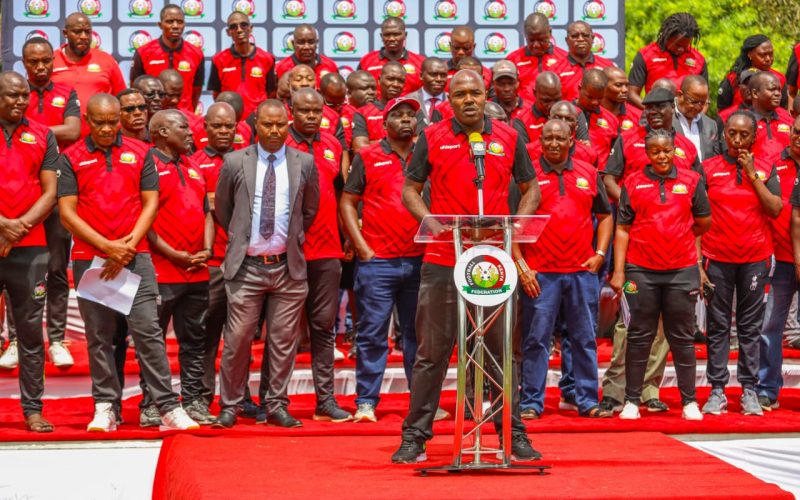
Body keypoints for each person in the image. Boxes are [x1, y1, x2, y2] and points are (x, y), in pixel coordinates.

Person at [392, 69, 541, 464]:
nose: (469, 100)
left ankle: (512, 434)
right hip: (444, 258)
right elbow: (410, 188)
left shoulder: (509, 137)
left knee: (499, 352)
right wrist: (433, 222)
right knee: (432, 352)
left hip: (492, 260)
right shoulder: (432, 137)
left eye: (476, 93)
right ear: (450, 99)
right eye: (461, 95)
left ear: (485, 93)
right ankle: (415, 437)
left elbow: (531, 189)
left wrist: (518, 227)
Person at [58, 93, 198, 432]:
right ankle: (106, 406)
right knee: (100, 336)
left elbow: (151, 203)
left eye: (112, 121)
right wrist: (107, 247)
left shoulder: (140, 153)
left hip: (136, 258)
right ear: (88, 122)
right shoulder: (71, 158)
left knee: (148, 332)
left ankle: (167, 406)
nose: (106, 129)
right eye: (99, 122)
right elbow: (66, 213)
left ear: (120, 118)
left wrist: (128, 246)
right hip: (90, 259)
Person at [212, 100, 319, 429]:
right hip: (247, 267)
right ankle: (230, 405)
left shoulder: (305, 162)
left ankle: (276, 404)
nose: (274, 131)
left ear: (289, 125)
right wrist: (245, 241)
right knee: (237, 340)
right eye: (267, 125)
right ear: (255, 126)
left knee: (283, 341)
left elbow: (309, 211)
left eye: (280, 125)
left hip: (287, 268)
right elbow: (224, 211)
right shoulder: (234, 162)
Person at [610, 129, 711, 420]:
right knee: (639, 335)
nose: (662, 156)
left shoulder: (692, 181)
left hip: (681, 270)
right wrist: (619, 271)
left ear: (675, 150)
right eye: (655, 151)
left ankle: (689, 402)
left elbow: (703, 221)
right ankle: (631, 401)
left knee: (681, 336)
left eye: (667, 150)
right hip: (641, 270)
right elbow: (622, 228)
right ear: (647, 153)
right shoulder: (633, 182)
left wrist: (678, 236)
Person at [516, 119, 613, 419]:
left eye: (560, 138)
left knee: (584, 338)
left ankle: (586, 400)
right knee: (536, 340)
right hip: (540, 273)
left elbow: (605, 216)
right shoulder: (526, 175)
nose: (554, 144)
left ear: (572, 140)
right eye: (548, 139)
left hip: (581, 271)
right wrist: (521, 266)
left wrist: (599, 254)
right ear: (540, 141)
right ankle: (531, 402)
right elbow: (512, 224)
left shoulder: (589, 172)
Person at [340, 96, 423, 423]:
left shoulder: (424, 155)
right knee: (372, 333)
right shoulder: (368, 156)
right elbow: (348, 203)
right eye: (398, 115)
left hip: (419, 261)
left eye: (410, 116)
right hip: (378, 263)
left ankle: (421, 405)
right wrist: (361, 247)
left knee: (419, 338)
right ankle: (366, 402)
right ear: (384, 124)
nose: (406, 120)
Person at [700, 110, 782, 417]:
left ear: (754, 137)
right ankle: (717, 390)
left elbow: (775, 208)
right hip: (716, 258)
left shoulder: (764, 167)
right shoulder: (708, 168)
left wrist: (752, 175)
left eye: (743, 135)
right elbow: (697, 217)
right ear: (723, 135)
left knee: (750, 327)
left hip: (755, 258)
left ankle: (749, 389)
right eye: (730, 134)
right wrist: (697, 262)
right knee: (718, 326)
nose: (736, 140)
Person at [141, 109, 215, 426]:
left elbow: (207, 212)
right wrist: (173, 254)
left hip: (197, 270)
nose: (190, 132)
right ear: (159, 131)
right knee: (152, 342)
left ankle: (195, 401)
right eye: (182, 127)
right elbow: (143, 217)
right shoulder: (148, 165)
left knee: (195, 341)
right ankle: (151, 405)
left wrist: (208, 249)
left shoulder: (194, 165)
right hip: (161, 270)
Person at [281, 88, 351, 423]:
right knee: (282, 331)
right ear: (291, 110)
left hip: (327, 250)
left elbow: (341, 193)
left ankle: (325, 401)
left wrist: (346, 235)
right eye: (304, 111)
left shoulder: (334, 145)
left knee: (324, 328)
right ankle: (275, 402)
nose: (311, 117)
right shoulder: (278, 144)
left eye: (316, 112)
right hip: (286, 251)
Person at [0, 71, 59, 432]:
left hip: (31, 248)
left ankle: (33, 409)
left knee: (30, 334)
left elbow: (50, 192)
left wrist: (16, 226)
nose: (20, 101)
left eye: (24, 96)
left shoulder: (42, 135)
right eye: (12, 96)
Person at [22, 36, 80, 368]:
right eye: (34, 62)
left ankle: (57, 340)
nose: (41, 67)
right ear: (25, 64)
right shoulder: (15, 93)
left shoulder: (66, 94)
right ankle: (17, 338)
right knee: (22, 270)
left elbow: (73, 131)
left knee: (57, 268)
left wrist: (26, 130)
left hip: (57, 193)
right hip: (22, 195)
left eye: (46, 61)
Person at [191, 102, 237, 404]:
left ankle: (239, 397)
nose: (223, 131)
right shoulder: (195, 163)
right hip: (212, 263)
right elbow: (201, 208)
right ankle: (203, 397)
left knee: (239, 338)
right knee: (205, 336)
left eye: (228, 127)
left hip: (247, 264)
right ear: (205, 128)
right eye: (217, 126)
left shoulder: (249, 159)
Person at [759, 116, 800, 411]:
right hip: (781, 259)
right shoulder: (775, 163)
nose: (799, 137)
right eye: (796, 131)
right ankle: (767, 389)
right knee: (770, 326)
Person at [604, 88, 701, 202]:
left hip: (677, 216)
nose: (653, 111)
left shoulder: (687, 146)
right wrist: (629, 205)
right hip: (637, 216)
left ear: (673, 107)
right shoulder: (627, 139)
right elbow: (608, 180)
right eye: (649, 108)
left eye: (660, 106)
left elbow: (698, 184)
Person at [52, 12, 126, 137]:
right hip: (60, 140)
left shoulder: (106, 60)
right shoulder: (50, 60)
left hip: (101, 140)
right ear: (65, 33)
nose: (83, 36)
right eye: (77, 31)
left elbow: (122, 99)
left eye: (88, 32)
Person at [130, 4, 204, 113]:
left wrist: (188, 112)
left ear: (184, 24)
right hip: (153, 116)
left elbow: (196, 91)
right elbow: (135, 88)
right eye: (170, 21)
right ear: (160, 25)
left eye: (179, 22)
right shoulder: (144, 52)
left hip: (184, 116)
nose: (175, 26)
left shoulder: (196, 53)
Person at [628, 13, 708, 109]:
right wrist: (654, 112)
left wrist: (695, 119)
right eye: (677, 45)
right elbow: (632, 94)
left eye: (685, 46)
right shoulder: (646, 55)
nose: (681, 49)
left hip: (688, 119)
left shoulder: (699, 60)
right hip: (655, 118)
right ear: (667, 36)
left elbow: (705, 99)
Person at [208, 11, 277, 118]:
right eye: (233, 27)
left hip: (257, 120)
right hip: (229, 120)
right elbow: (217, 94)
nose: (239, 30)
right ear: (228, 32)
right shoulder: (219, 60)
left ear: (251, 28)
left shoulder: (267, 58)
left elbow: (271, 93)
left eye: (243, 25)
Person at [506, 13, 568, 102]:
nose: (536, 45)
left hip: (557, 114)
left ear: (550, 33)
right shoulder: (513, 60)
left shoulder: (565, 59)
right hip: (522, 114)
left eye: (541, 40)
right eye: (531, 40)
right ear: (525, 35)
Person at [515, 71, 589, 144]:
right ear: (535, 93)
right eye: (546, 101)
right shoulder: (522, 120)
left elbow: (585, 148)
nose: (552, 106)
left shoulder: (575, 113)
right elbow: (524, 154)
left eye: (557, 100)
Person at [718, 35, 786, 112]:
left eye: (771, 54)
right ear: (750, 54)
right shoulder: (734, 79)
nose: (768, 59)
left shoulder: (779, 78)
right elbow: (722, 109)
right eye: (762, 55)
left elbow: (783, 108)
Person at [358, 17, 424, 98]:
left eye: (396, 34)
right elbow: (357, 90)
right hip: (375, 109)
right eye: (387, 35)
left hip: (409, 110)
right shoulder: (367, 61)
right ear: (381, 36)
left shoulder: (420, 63)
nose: (392, 39)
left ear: (405, 35)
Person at [351, 62, 406, 152]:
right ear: (379, 80)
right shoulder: (363, 113)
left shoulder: (413, 110)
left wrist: (374, 143)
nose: (396, 84)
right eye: (390, 79)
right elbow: (360, 148)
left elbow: (419, 143)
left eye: (400, 81)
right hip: (374, 164)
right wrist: (399, 143)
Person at [557, 21, 615, 102]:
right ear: (567, 40)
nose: (580, 39)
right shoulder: (556, 69)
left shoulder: (607, 66)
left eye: (585, 35)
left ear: (593, 38)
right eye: (574, 36)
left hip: (601, 113)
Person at [746, 71, 793, 162]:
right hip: (753, 174)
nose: (778, 94)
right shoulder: (741, 121)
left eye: (779, 90)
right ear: (755, 93)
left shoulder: (788, 118)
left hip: (787, 174)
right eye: (772, 89)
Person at [576, 68, 619, 167]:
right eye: (590, 97)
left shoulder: (612, 120)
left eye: (599, 98)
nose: (594, 102)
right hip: (572, 175)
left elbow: (615, 156)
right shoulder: (565, 114)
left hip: (600, 177)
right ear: (579, 88)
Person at [675, 75, 719, 161]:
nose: (698, 107)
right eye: (694, 102)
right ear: (680, 95)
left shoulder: (710, 125)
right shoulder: (666, 120)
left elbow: (714, 160)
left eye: (702, 103)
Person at [445, 26, 493, 91]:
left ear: (473, 46)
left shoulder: (487, 74)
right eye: (456, 48)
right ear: (450, 46)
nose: (461, 52)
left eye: (466, 48)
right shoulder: (441, 72)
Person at [405, 58, 448, 129]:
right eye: (433, 74)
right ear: (421, 76)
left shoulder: (453, 102)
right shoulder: (408, 101)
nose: (439, 79)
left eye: (443, 75)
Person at [601, 66, 642, 133]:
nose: (625, 90)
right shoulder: (590, 113)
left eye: (627, 85)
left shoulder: (638, 116)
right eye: (618, 85)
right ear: (603, 85)